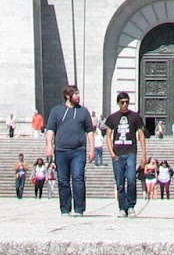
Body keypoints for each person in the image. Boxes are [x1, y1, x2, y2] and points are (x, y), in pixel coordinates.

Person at [43, 83, 95, 216]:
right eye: (76, 93)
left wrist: (92, 149)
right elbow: (50, 130)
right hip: (61, 151)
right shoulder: (56, 111)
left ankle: (79, 209)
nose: (78, 96)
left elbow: (89, 131)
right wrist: (49, 146)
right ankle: (65, 209)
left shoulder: (83, 111)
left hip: (78, 151)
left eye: (78, 93)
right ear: (68, 96)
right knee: (63, 180)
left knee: (78, 178)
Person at [102, 89, 146, 217]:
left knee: (131, 179)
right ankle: (122, 207)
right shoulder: (112, 118)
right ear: (118, 103)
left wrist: (144, 154)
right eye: (122, 102)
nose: (125, 105)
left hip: (131, 152)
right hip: (117, 153)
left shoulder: (135, 117)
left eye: (127, 102)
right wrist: (112, 153)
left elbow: (141, 135)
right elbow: (108, 135)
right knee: (120, 182)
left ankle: (131, 205)